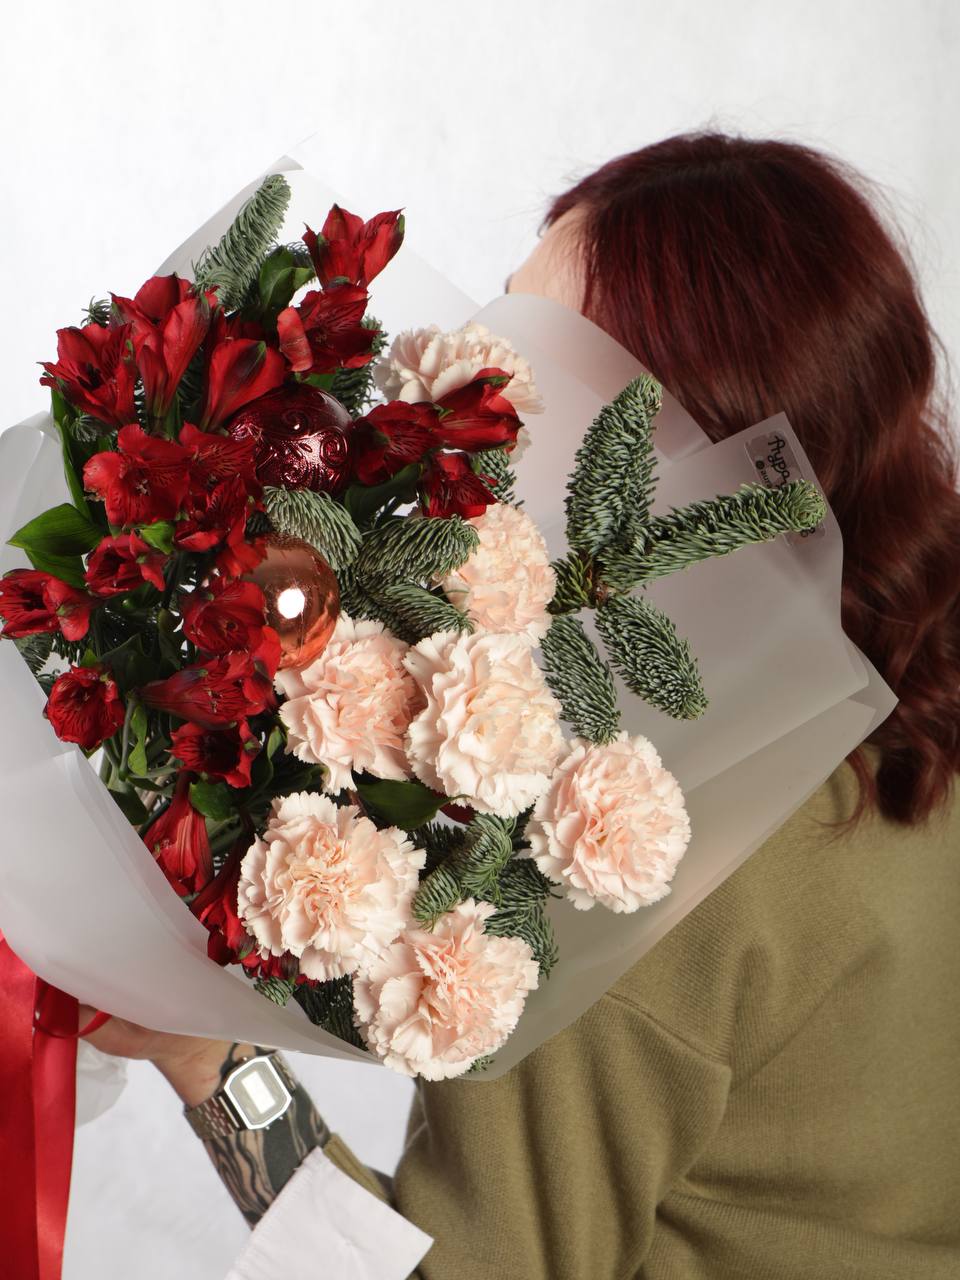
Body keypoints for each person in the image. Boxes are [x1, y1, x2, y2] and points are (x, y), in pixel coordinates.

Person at [81, 131, 960, 1279]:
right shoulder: (909, 715)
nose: (469, 388)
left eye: (536, 361)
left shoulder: (628, 844)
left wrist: (209, 1061)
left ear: (677, 452)